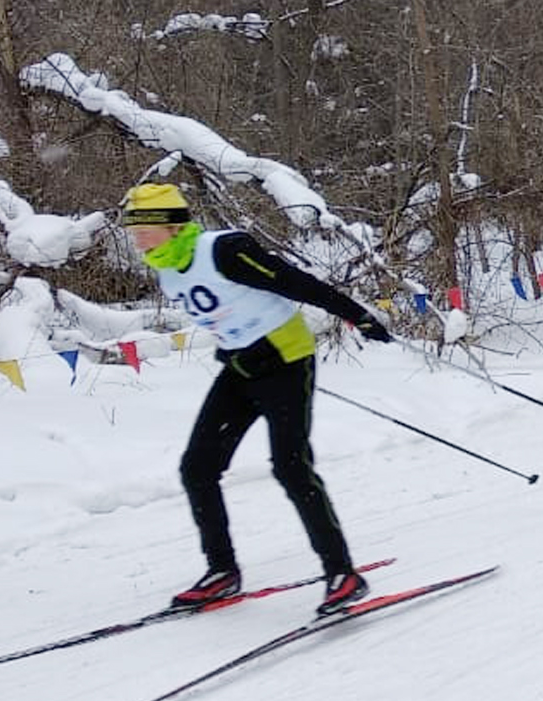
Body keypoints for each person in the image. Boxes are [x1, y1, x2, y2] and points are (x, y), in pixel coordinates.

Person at [120, 182, 392, 615]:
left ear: (173, 226)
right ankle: (222, 572)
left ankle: (343, 573)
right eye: (133, 227)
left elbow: (295, 283)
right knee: (197, 467)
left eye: (145, 226)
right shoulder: (167, 270)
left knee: (290, 466)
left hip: (286, 359)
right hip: (242, 368)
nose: (137, 236)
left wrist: (356, 315)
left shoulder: (224, 251)